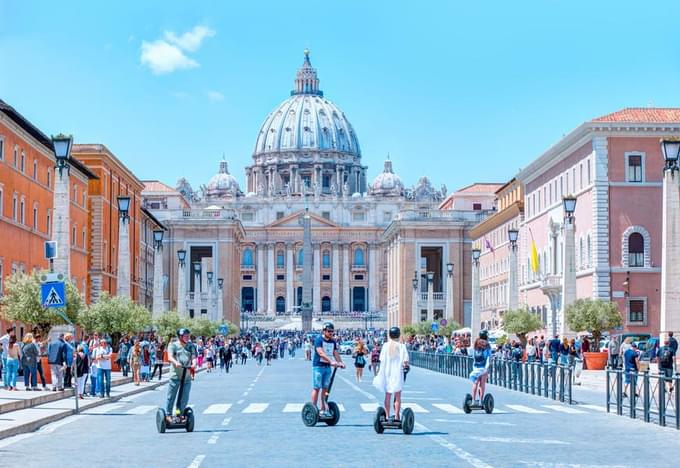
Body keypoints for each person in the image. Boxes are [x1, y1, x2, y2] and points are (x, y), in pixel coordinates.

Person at [373, 327, 409, 421]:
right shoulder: (401, 346)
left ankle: (387, 416)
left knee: (387, 395)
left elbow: (381, 360)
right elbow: (405, 362)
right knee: (397, 396)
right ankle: (397, 416)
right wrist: (406, 366)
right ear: (398, 335)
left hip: (387, 373)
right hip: (397, 373)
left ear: (389, 335)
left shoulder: (385, 346)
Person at [310, 322, 345, 418]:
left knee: (326, 388)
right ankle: (313, 408)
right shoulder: (318, 340)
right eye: (329, 331)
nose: (331, 333)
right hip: (318, 367)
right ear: (324, 331)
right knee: (317, 388)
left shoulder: (333, 341)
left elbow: (335, 353)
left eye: (332, 332)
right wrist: (331, 361)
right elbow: (320, 353)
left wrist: (340, 362)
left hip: (327, 367)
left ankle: (323, 408)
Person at [165, 328, 197, 424]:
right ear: (180, 337)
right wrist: (176, 362)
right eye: (185, 336)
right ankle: (168, 415)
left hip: (186, 377)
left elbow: (193, 357)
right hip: (175, 376)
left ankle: (180, 414)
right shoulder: (173, 345)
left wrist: (194, 364)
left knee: (184, 398)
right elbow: (169, 356)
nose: (187, 337)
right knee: (171, 396)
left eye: (188, 336)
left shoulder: (191, 346)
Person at [468, 335, 492, 406]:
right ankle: (481, 400)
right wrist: (487, 368)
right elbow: (489, 358)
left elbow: (472, 356)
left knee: (475, 383)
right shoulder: (487, 347)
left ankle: (473, 400)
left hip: (476, 368)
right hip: (483, 368)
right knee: (482, 384)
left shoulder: (476, 345)